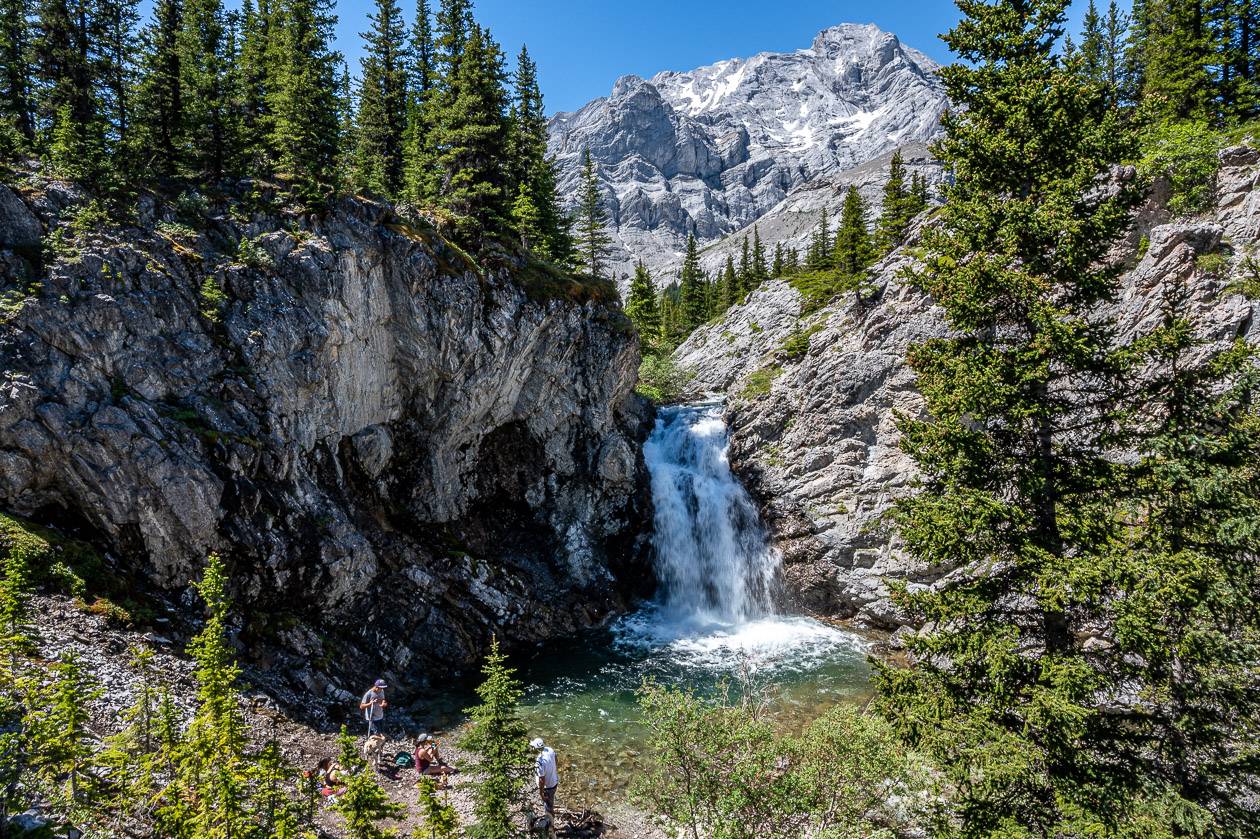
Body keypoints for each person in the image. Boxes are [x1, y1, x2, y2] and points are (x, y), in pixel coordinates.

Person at [532, 737, 559, 816]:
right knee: (550, 803)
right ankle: (551, 819)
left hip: (548, 787)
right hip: (555, 781)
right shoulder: (550, 750)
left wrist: (541, 793)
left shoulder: (539, 761)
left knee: (548, 807)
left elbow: (542, 780)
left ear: (536, 748)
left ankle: (551, 825)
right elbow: (556, 759)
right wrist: (553, 770)